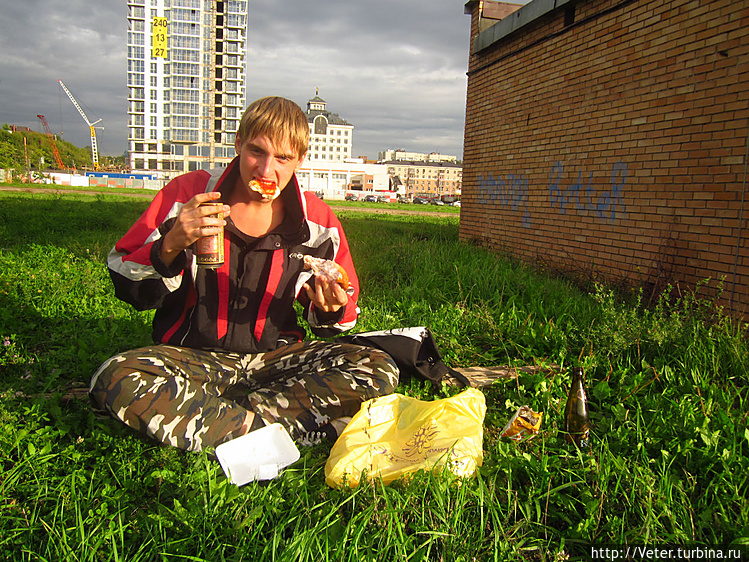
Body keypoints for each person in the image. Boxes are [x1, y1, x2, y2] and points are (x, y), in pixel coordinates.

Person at [89, 96, 399, 452]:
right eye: (257, 152)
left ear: (300, 159)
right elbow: (124, 277)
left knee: (376, 366)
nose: (266, 171)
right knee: (117, 376)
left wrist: (331, 309)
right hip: (193, 358)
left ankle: (223, 420)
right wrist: (170, 244)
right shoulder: (189, 194)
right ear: (238, 145)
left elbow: (340, 322)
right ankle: (284, 430)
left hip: (275, 362)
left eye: (283, 158)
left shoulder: (318, 221)